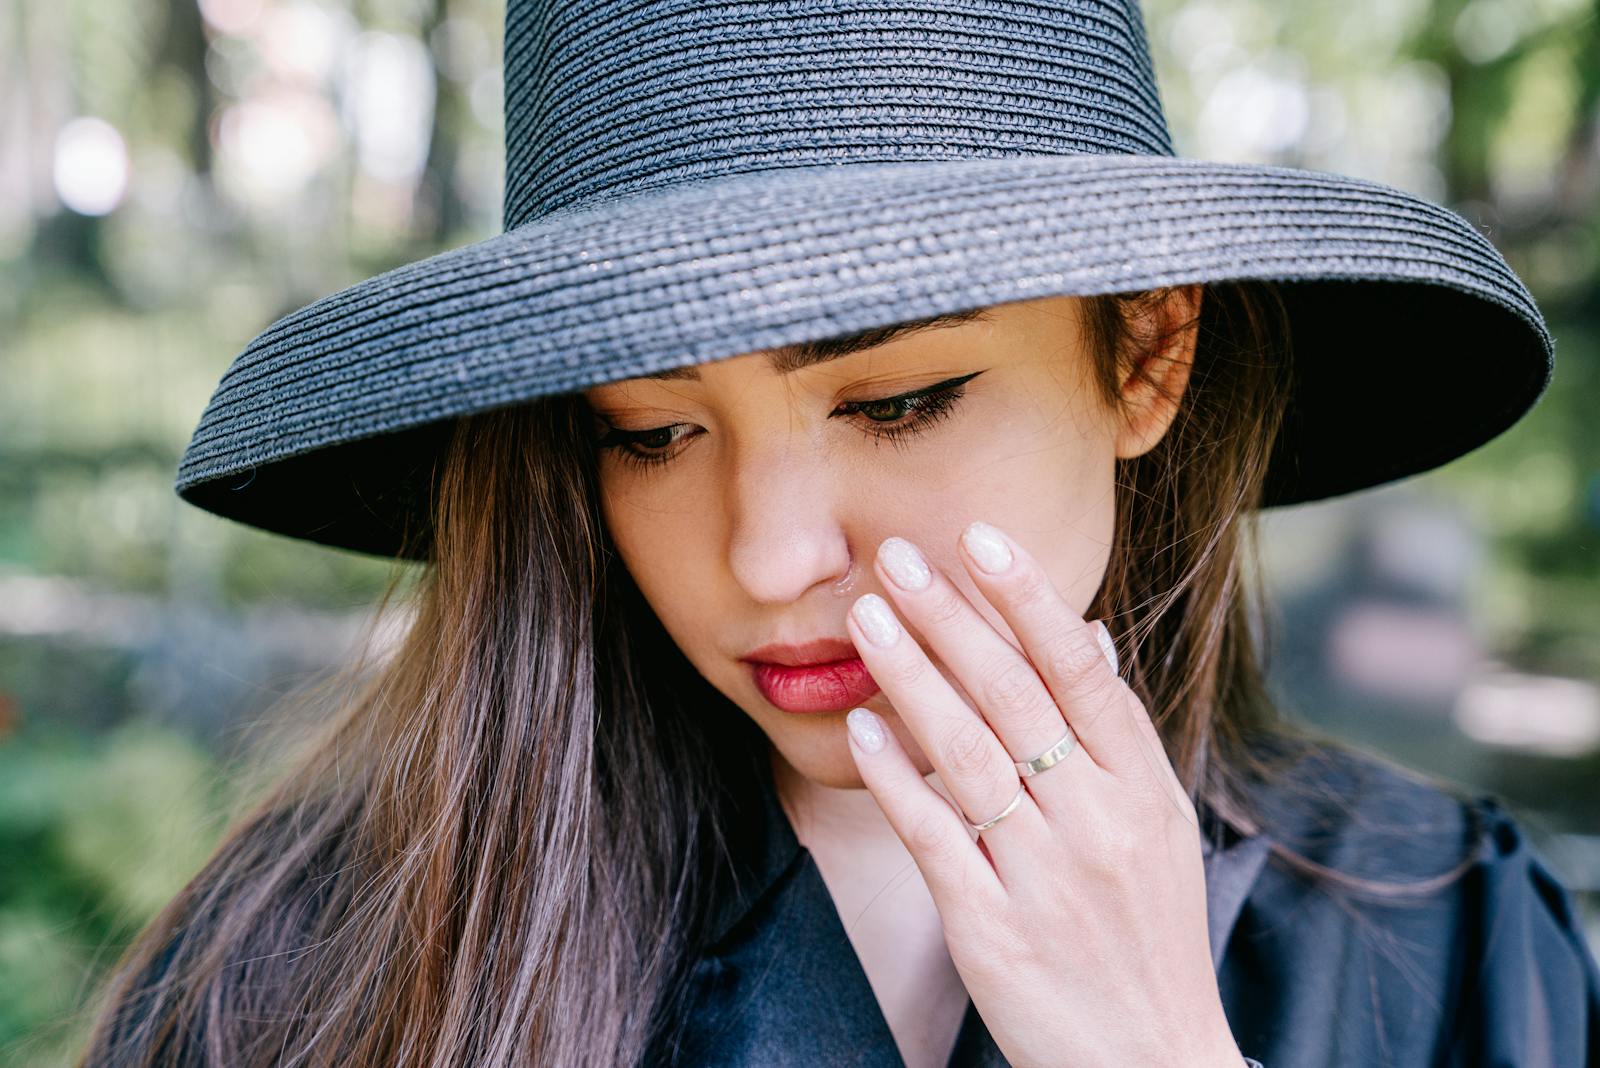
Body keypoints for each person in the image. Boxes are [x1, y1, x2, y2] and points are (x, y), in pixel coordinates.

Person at [77, 1, 1598, 1066]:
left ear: (1146, 352)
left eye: (900, 400)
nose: (766, 556)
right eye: (651, 434)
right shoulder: (316, 962)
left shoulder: (1449, 934)